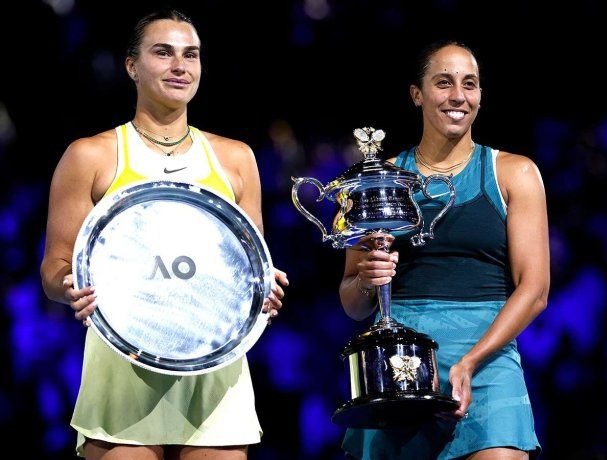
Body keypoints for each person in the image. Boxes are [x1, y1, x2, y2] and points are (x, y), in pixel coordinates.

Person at [40, 9, 288, 460]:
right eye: (163, 53)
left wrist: (262, 294)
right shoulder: (90, 156)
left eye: (190, 55)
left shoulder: (236, 159)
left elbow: (247, 266)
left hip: (216, 368)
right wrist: (70, 287)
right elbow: (55, 270)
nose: (180, 65)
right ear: (132, 66)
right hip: (123, 364)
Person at [339, 41, 548, 459]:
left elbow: (535, 290)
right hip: (400, 365)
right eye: (443, 83)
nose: (458, 96)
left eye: (469, 84)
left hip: (488, 363)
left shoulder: (514, 172)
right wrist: (367, 278)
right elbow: (353, 305)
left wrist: (470, 361)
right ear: (417, 94)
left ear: (480, 95)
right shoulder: (379, 181)